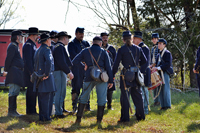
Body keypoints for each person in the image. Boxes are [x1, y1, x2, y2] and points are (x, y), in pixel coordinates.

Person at [73, 36, 113, 124]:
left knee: (83, 97)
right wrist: (111, 81)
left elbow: (75, 61)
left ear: (92, 43)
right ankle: (99, 120)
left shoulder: (86, 51)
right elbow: (109, 67)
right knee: (102, 99)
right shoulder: (104, 52)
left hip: (88, 75)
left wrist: (84, 67)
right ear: (100, 43)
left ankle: (78, 118)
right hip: (101, 77)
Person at [113, 31, 147, 122]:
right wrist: (140, 69)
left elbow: (116, 64)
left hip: (125, 76)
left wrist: (112, 75)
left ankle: (125, 118)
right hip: (136, 75)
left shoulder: (121, 50)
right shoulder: (138, 49)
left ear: (123, 40)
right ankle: (141, 116)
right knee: (138, 97)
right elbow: (145, 61)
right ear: (132, 38)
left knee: (125, 98)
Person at [33, 33, 56, 122]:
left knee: (41, 98)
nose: (51, 41)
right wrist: (47, 74)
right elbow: (49, 61)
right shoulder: (47, 49)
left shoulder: (38, 49)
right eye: (50, 39)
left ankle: (42, 117)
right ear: (47, 40)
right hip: (46, 77)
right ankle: (46, 118)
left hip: (38, 77)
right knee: (48, 99)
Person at [67, 27, 91, 114]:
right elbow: (74, 57)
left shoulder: (86, 43)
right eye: (80, 34)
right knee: (76, 88)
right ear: (76, 34)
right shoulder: (72, 44)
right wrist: (82, 64)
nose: (81, 35)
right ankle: (74, 107)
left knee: (87, 86)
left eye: (82, 34)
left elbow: (90, 54)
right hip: (77, 69)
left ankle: (86, 106)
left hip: (86, 69)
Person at [53, 31, 74, 118]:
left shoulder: (57, 46)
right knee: (60, 92)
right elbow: (62, 62)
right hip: (59, 72)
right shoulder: (59, 47)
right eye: (68, 38)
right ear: (64, 38)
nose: (68, 40)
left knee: (60, 92)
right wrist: (68, 72)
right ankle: (58, 113)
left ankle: (59, 110)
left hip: (58, 72)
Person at [3, 30, 24, 117]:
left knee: (15, 91)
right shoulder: (12, 46)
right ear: (17, 37)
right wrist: (6, 70)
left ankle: (14, 111)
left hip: (16, 72)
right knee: (13, 92)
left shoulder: (16, 46)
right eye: (21, 36)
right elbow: (8, 59)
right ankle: (11, 112)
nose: (22, 38)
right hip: (13, 72)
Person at [133, 31, 151, 114]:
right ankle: (138, 109)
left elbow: (146, 62)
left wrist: (140, 72)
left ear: (138, 39)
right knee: (138, 92)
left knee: (144, 92)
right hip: (138, 72)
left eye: (134, 38)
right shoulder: (136, 47)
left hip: (143, 72)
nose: (133, 40)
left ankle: (145, 110)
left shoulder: (144, 48)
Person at [23, 27, 40, 115]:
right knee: (31, 91)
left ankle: (31, 110)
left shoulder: (32, 44)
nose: (38, 37)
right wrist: (31, 73)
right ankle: (30, 111)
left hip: (33, 72)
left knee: (33, 91)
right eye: (37, 35)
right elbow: (28, 60)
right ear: (33, 35)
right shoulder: (29, 45)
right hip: (30, 72)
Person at [152, 38, 172, 110]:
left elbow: (168, 64)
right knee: (160, 89)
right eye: (158, 44)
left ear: (164, 45)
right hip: (159, 73)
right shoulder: (158, 54)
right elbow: (157, 64)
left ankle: (167, 105)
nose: (159, 45)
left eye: (160, 44)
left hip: (165, 73)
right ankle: (163, 105)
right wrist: (153, 67)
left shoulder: (167, 53)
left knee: (166, 89)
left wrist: (158, 68)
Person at [100, 32, 116, 110]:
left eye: (106, 37)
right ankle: (102, 105)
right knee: (102, 88)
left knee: (110, 88)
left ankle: (109, 105)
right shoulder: (99, 48)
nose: (105, 39)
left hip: (110, 70)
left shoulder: (111, 48)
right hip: (101, 71)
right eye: (103, 37)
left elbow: (116, 59)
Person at [150, 33, 160, 106]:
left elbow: (159, 59)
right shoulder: (152, 48)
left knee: (158, 84)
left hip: (157, 68)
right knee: (154, 84)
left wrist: (154, 65)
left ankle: (159, 101)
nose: (154, 40)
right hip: (152, 68)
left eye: (155, 39)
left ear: (158, 39)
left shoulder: (159, 47)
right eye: (153, 39)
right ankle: (155, 101)